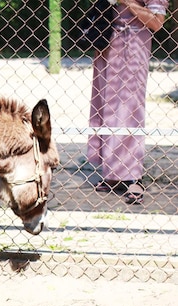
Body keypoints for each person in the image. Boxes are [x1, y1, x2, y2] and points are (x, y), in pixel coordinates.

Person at [87, 0, 168, 205]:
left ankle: (134, 176)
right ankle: (112, 172)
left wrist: (126, 1)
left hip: (133, 44)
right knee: (104, 103)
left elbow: (157, 22)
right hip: (106, 39)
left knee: (130, 107)